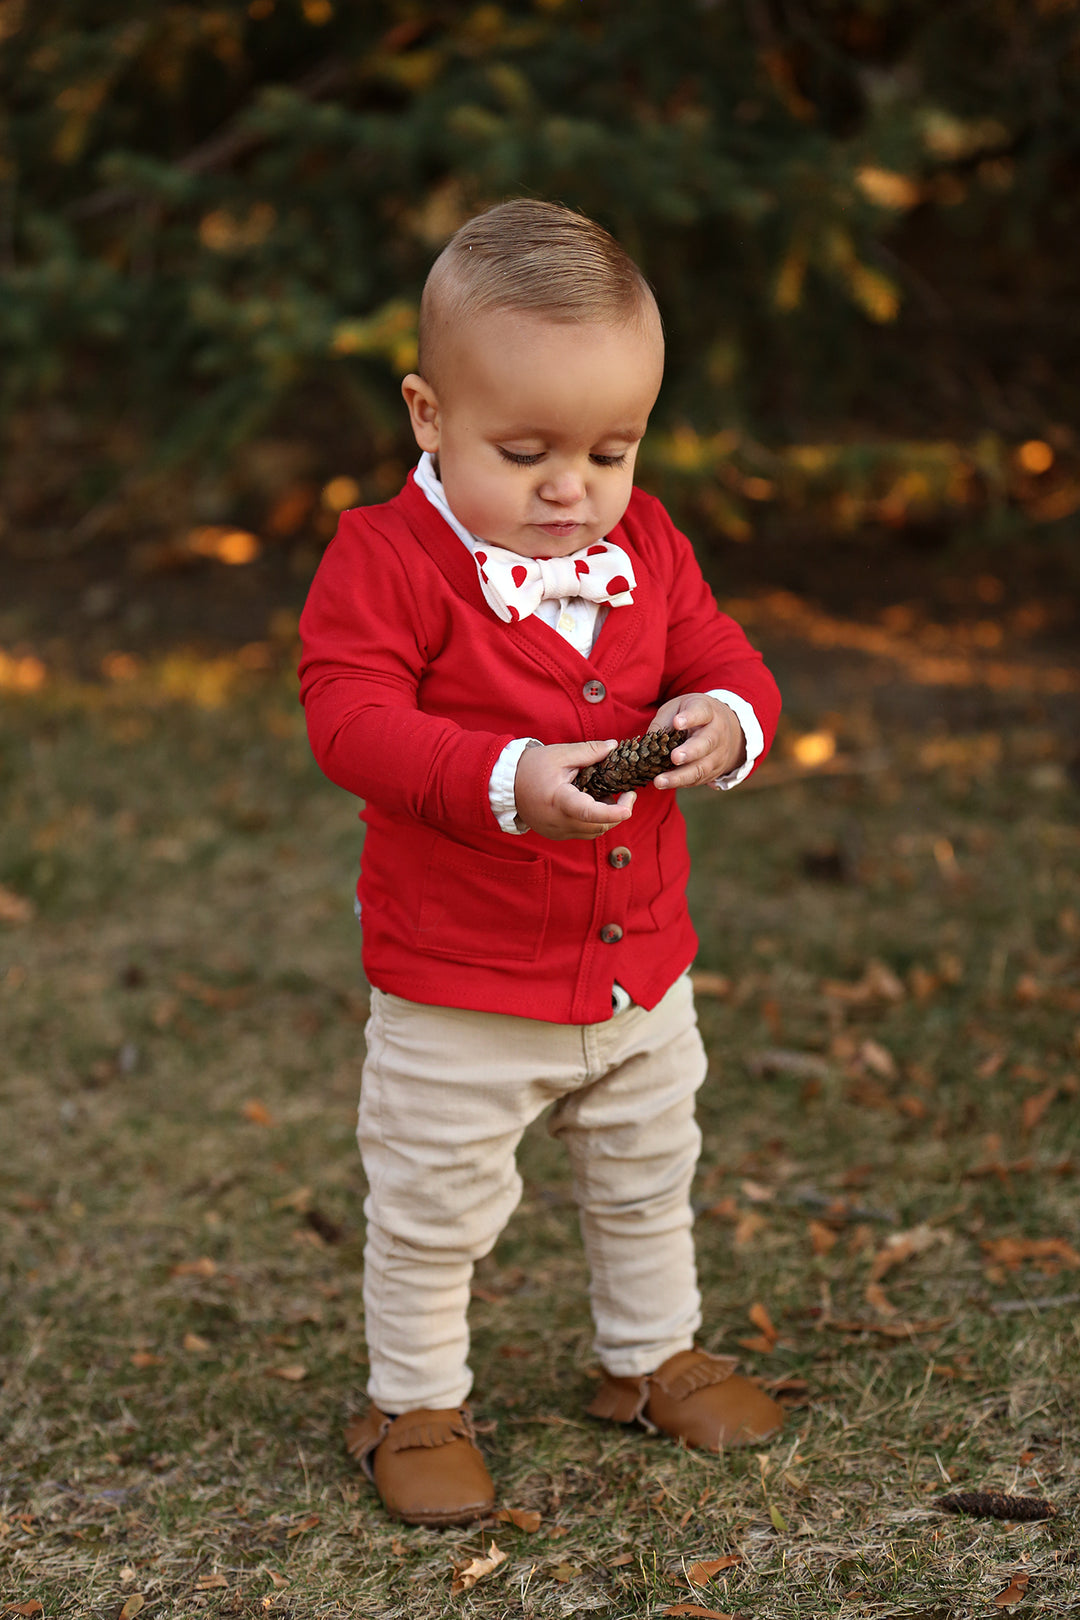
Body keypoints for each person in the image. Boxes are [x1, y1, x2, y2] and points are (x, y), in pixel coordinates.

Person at [298, 199, 784, 1528]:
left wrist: (727, 720)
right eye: (526, 451)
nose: (573, 487)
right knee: (435, 1204)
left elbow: (720, 652)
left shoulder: (646, 546)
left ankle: (648, 1357)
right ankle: (415, 1401)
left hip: (639, 975)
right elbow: (350, 720)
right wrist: (507, 777)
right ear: (428, 416)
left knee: (645, 1170)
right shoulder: (386, 560)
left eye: (611, 450)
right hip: (461, 985)